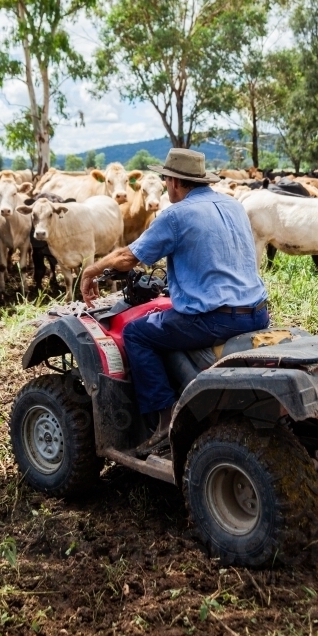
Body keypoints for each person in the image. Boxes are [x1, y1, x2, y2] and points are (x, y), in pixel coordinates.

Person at [80, 148, 269, 455]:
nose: (167, 185)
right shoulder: (233, 205)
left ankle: (164, 420)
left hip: (216, 319)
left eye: (166, 180)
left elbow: (129, 257)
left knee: (136, 334)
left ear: (173, 182)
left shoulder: (176, 215)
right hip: (258, 313)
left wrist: (92, 269)